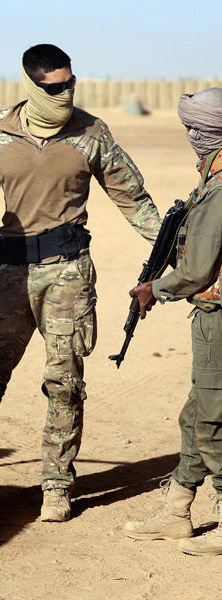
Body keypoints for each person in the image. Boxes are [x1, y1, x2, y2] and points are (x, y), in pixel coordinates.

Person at [0, 44, 162, 522]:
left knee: (64, 382)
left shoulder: (91, 133)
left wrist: (181, 251)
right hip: (11, 275)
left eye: (71, 84)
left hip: (68, 272)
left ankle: (56, 485)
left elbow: (134, 200)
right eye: (55, 87)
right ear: (32, 85)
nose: (65, 93)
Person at [123, 87, 222, 556]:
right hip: (212, 314)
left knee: (213, 420)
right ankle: (177, 512)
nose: (190, 137)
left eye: (193, 129)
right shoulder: (211, 181)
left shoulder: (218, 190)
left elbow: (198, 270)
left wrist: (155, 289)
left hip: (217, 318)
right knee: (196, 415)